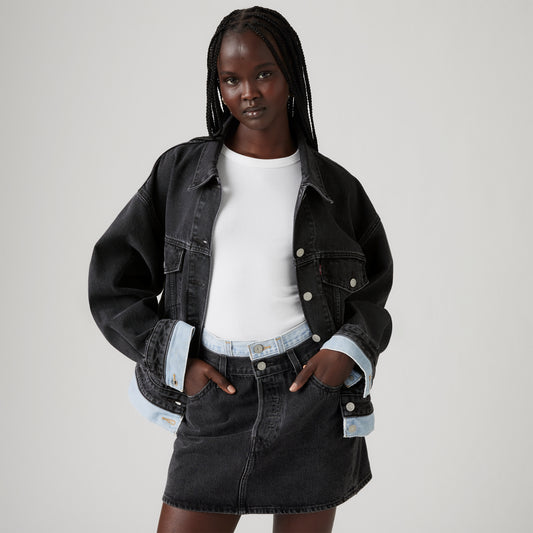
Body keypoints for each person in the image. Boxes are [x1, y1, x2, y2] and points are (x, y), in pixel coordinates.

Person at [88, 6, 393, 533]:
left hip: (309, 393)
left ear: (290, 76)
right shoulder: (180, 173)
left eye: (263, 74)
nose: (248, 92)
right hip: (217, 395)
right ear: (219, 87)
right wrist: (176, 362)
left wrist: (343, 352)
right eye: (231, 80)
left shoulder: (336, 189)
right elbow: (113, 281)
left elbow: (375, 282)